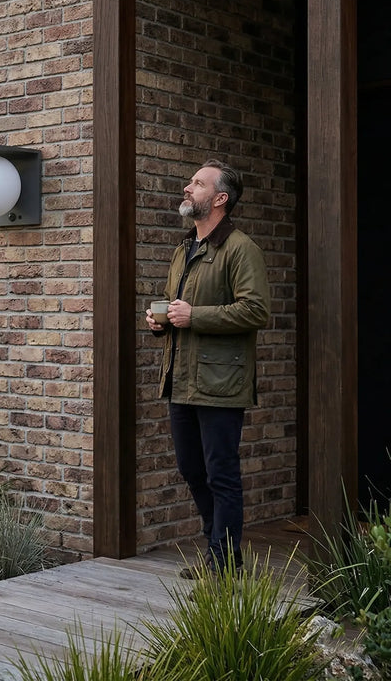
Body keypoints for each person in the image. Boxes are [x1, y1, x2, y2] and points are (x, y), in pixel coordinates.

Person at [145, 159, 270, 576]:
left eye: (197, 183)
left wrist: (195, 316)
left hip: (219, 382)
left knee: (221, 474)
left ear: (219, 199)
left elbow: (255, 310)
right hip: (180, 379)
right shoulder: (184, 249)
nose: (187, 187)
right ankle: (219, 548)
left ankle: (222, 560)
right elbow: (177, 308)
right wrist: (161, 323)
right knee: (191, 469)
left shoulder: (240, 248)